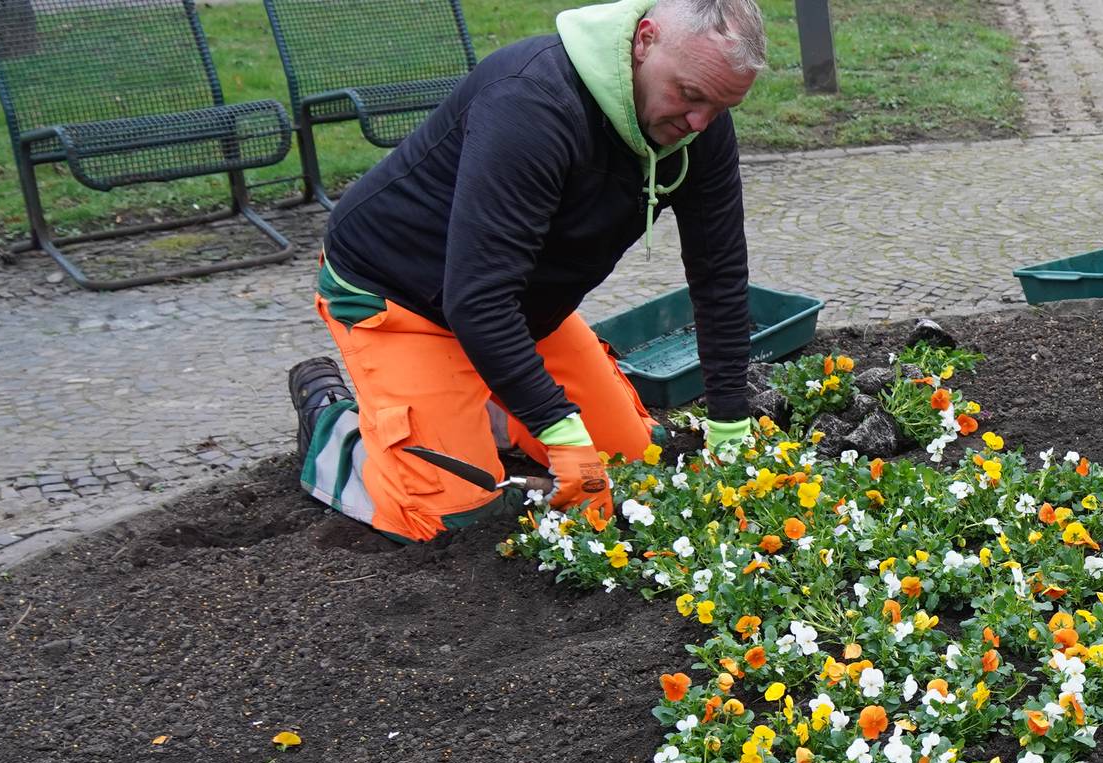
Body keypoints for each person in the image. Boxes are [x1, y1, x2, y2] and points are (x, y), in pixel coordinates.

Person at [283, 0, 769, 541]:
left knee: (635, 465)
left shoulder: (698, 126)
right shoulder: (531, 102)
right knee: (450, 518)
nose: (699, 123)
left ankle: (474, 410)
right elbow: (476, 299)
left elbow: (720, 275)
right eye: (690, 94)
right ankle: (334, 425)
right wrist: (557, 428)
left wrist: (729, 422)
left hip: (519, 310)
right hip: (403, 296)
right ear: (644, 41)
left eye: (721, 107)